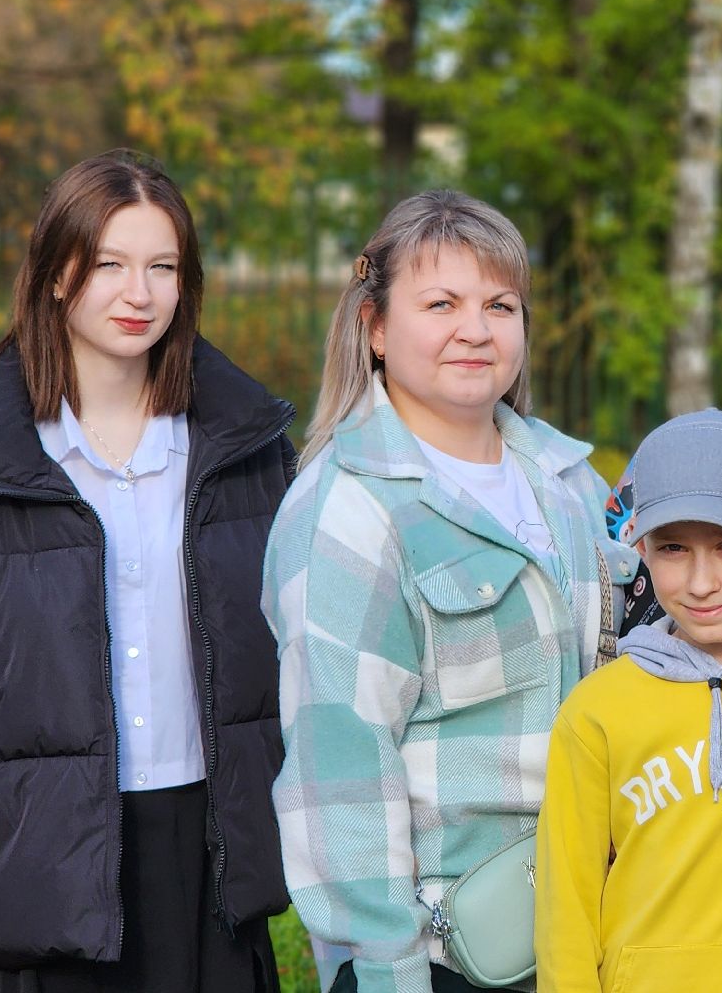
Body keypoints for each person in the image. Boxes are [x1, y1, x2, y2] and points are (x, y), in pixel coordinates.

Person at [0, 150, 295, 993]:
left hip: (212, 887)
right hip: (31, 896)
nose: (139, 293)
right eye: (108, 264)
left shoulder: (253, 462)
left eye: (163, 267)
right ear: (57, 274)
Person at [265, 190, 636, 993]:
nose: (476, 329)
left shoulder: (570, 482)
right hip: (447, 959)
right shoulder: (345, 512)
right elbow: (340, 778)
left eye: (501, 306)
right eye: (441, 304)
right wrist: (389, 973)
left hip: (591, 933)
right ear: (375, 327)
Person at [535, 409, 722, 993]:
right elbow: (567, 901)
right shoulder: (597, 708)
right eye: (673, 549)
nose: (701, 582)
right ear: (639, 544)